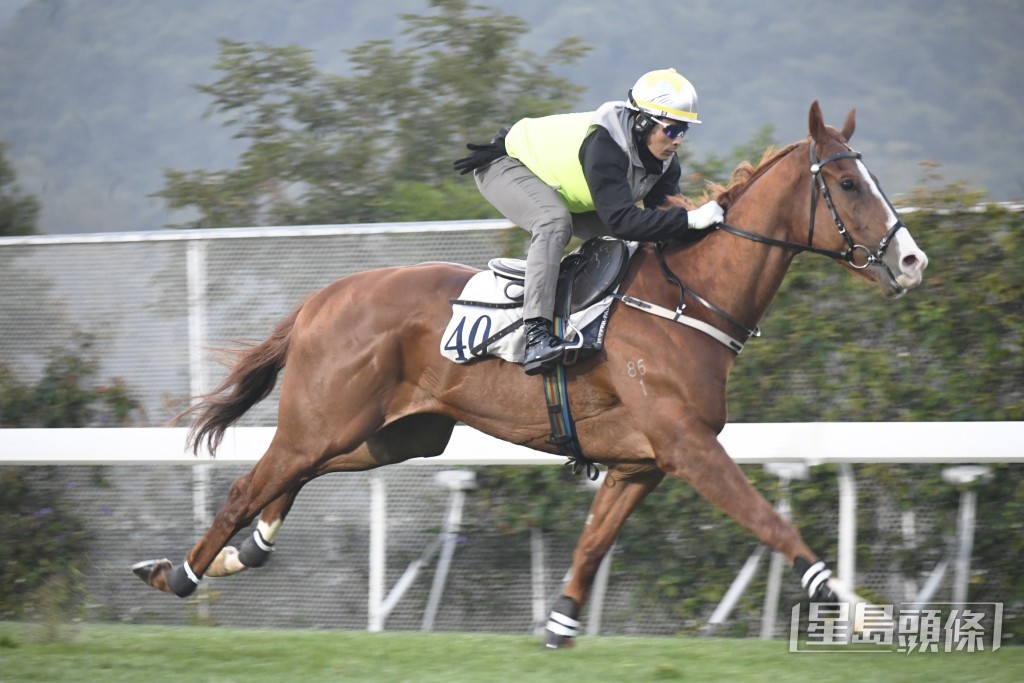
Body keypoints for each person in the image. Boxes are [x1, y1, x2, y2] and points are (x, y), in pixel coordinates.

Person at [453, 68, 724, 375]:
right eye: (673, 130)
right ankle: (536, 334)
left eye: (684, 132)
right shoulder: (605, 146)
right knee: (554, 223)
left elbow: (660, 224)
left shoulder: (665, 163)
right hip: (505, 165)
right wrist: (689, 219)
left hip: (563, 189)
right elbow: (624, 220)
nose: (678, 142)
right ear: (644, 122)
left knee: (637, 243)